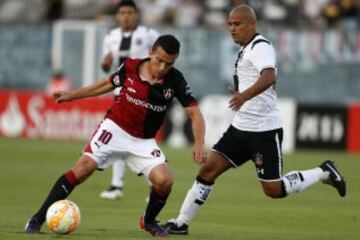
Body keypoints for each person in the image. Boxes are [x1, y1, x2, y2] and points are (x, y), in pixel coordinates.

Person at [161, 5, 347, 235]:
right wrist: (241, 93)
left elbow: (269, 76)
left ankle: (323, 172)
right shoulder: (245, 49)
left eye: (237, 24)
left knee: (274, 190)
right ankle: (181, 222)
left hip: (264, 131)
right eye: (229, 24)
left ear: (252, 24)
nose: (232, 29)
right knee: (207, 171)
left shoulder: (261, 47)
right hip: (241, 128)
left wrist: (243, 96)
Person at [24, 34, 206, 237]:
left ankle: (148, 221)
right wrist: (71, 95)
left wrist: (199, 143)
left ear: (176, 59)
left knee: (165, 180)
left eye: (169, 63)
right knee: (82, 169)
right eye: (159, 60)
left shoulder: (176, 80)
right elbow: (106, 84)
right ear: (151, 53)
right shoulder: (131, 67)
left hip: (143, 140)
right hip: (114, 129)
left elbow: (194, 114)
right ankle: (37, 219)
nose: (163, 67)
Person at [100, 0, 160, 200]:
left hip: (143, 96)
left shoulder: (149, 35)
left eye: (130, 12)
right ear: (117, 16)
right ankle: (117, 185)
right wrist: (105, 63)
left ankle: (153, 184)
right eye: (122, 13)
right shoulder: (111, 37)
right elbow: (105, 66)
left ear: (136, 15)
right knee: (120, 138)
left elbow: (161, 60)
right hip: (121, 93)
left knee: (142, 137)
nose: (126, 16)